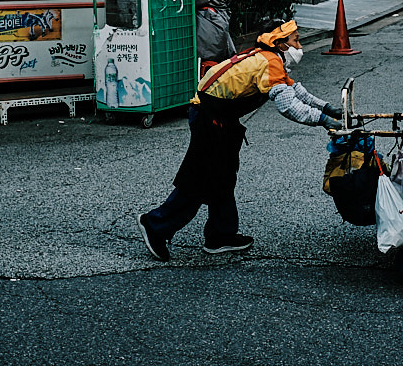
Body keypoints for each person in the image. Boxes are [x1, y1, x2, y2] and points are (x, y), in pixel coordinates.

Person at [137, 17, 342, 262]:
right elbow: (289, 107)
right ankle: (155, 225)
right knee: (199, 180)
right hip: (209, 118)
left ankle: (220, 235)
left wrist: (327, 107)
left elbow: (296, 90)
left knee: (223, 176)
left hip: (218, 117)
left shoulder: (269, 58)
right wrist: (323, 119)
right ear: (280, 43)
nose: (299, 45)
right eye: (295, 40)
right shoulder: (270, 63)